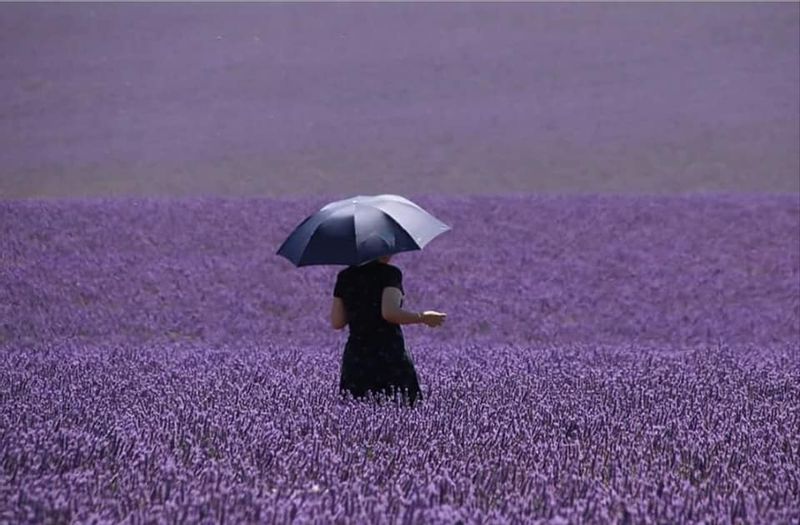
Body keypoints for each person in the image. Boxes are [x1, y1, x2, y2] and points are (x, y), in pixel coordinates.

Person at [331, 254, 446, 407]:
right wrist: (423, 317)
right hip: (388, 353)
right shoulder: (389, 274)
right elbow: (389, 313)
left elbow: (337, 322)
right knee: (403, 409)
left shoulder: (345, 276)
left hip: (356, 356)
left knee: (357, 410)